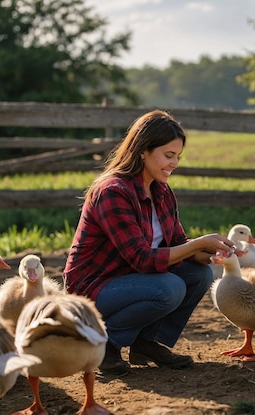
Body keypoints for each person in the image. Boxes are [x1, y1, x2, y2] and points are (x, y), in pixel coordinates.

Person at [63, 109, 235, 375]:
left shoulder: (161, 190)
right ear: (143, 151)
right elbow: (142, 258)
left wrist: (212, 252)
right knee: (170, 287)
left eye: (177, 156)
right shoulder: (112, 192)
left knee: (199, 274)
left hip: (132, 280)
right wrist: (198, 243)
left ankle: (146, 343)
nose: (174, 163)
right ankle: (105, 344)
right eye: (168, 155)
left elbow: (178, 244)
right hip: (93, 288)